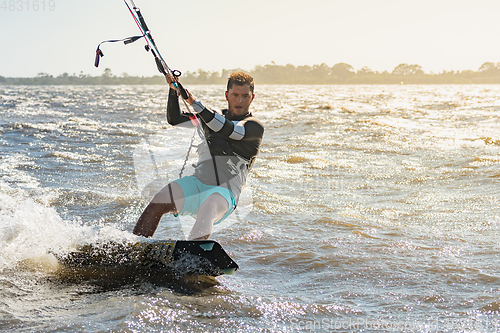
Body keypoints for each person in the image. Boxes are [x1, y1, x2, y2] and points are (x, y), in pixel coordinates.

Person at [133, 71, 264, 240]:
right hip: (198, 183)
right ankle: (135, 248)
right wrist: (174, 89)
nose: (239, 100)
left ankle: (192, 256)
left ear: (252, 98)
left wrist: (193, 101)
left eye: (245, 96)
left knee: (208, 207)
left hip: (224, 193)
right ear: (227, 95)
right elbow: (174, 119)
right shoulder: (212, 116)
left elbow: (228, 129)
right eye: (235, 95)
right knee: (160, 199)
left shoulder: (254, 126)